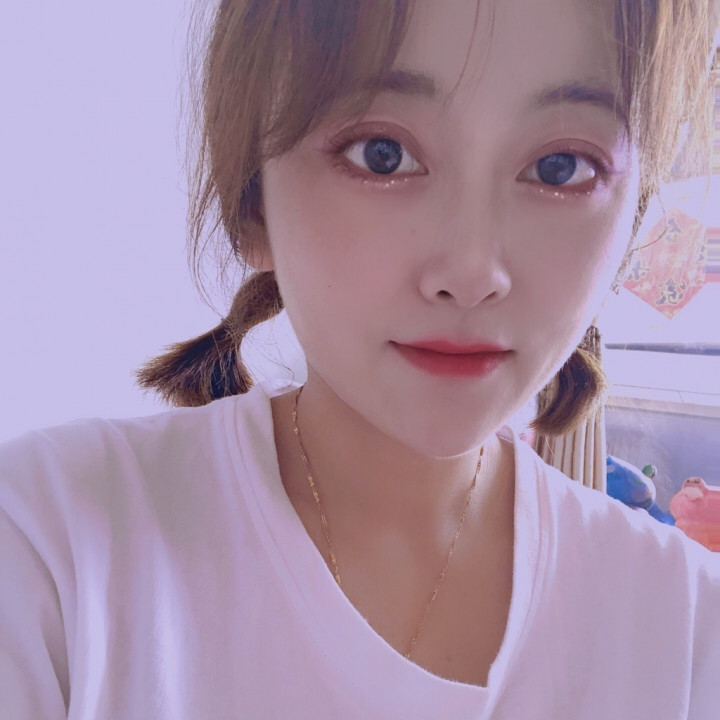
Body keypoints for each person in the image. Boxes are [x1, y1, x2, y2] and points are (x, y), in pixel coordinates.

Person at [1, 0, 718, 717]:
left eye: (560, 168)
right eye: (383, 154)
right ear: (252, 202)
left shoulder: (688, 630)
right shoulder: (45, 548)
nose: (471, 273)